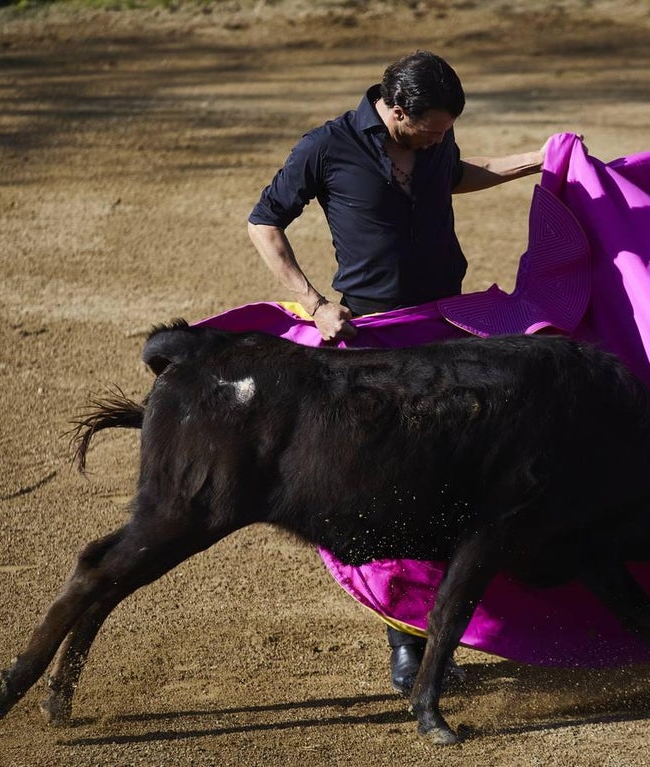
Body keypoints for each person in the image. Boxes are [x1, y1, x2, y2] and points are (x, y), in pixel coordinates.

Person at [246, 50, 555, 693]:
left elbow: (457, 175)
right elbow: (265, 222)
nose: (440, 139)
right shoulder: (325, 147)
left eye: (447, 130)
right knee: (394, 493)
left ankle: (456, 621)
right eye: (431, 130)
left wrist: (539, 158)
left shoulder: (434, 138)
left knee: (458, 479)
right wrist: (311, 300)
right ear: (394, 109)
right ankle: (407, 645)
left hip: (445, 329)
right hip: (375, 340)